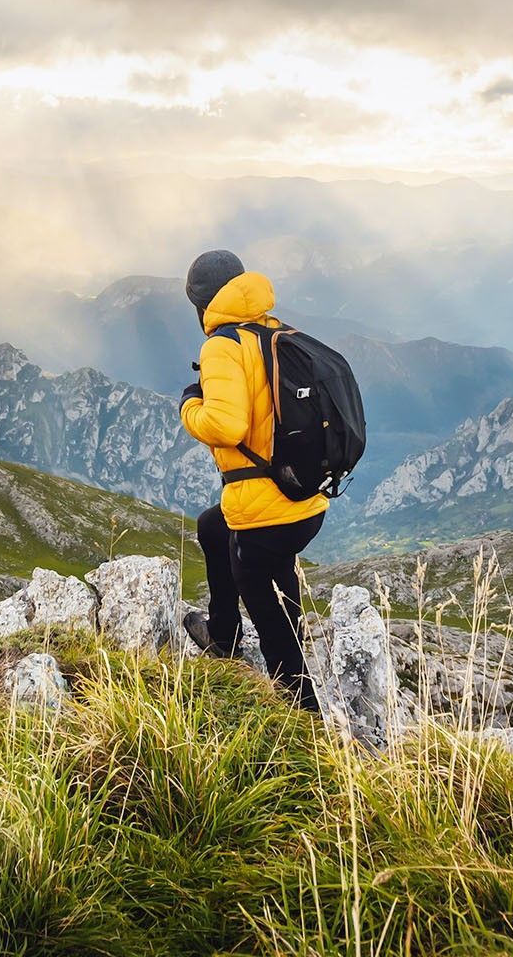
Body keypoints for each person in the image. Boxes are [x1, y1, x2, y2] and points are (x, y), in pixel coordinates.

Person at [177, 249, 327, 710]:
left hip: (266, 514)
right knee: (212, 526)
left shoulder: (223, 344)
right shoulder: (274, 332)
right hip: (305, 500)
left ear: (202, 303)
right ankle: (222, 634)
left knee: (275, 632)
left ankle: (304, 728)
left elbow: (225, 426)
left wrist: (190, 405)